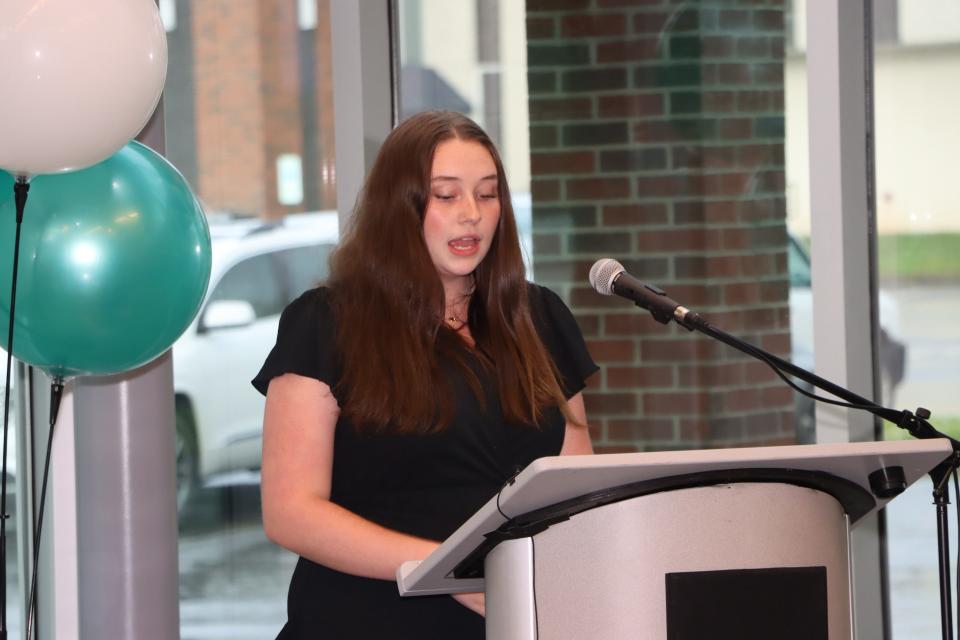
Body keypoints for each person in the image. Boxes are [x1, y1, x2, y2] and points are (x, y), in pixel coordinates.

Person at [252, 110, 598, 639]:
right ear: (400, 207)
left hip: (511, 618)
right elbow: (291, 512)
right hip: (367, 620)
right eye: (446, 195)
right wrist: (449, 567)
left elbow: (573, 489)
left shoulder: (540, 317)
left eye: (486, 195)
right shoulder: (326, 323)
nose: (472, 215)